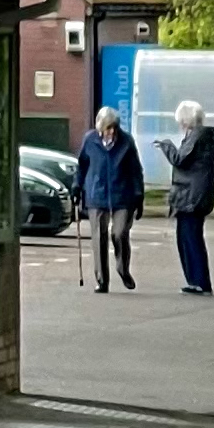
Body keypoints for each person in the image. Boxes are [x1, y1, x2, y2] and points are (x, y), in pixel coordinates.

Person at [78, 102, 145, 293]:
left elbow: (135, 171)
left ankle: (123, 268)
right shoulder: (90, 140)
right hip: (97, 194)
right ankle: (102, 280)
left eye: (114, 127)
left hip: (123, 195)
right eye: (108, 128)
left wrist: (139, 196)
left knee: (120, 232)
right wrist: (77, 186)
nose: (112, 131)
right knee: (99, 237)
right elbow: (82, 166)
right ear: (100, 127)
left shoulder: (126, 141)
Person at [165, 96, 214, 294]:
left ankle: (198, 281)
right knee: (188, 238)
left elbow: (180, 160)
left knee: (190, 238)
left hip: (191, 197)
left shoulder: (195, 138)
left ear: (185, 120)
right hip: (196, 195)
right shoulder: (201, 138)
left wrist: (167, 146)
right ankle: (196, 280)